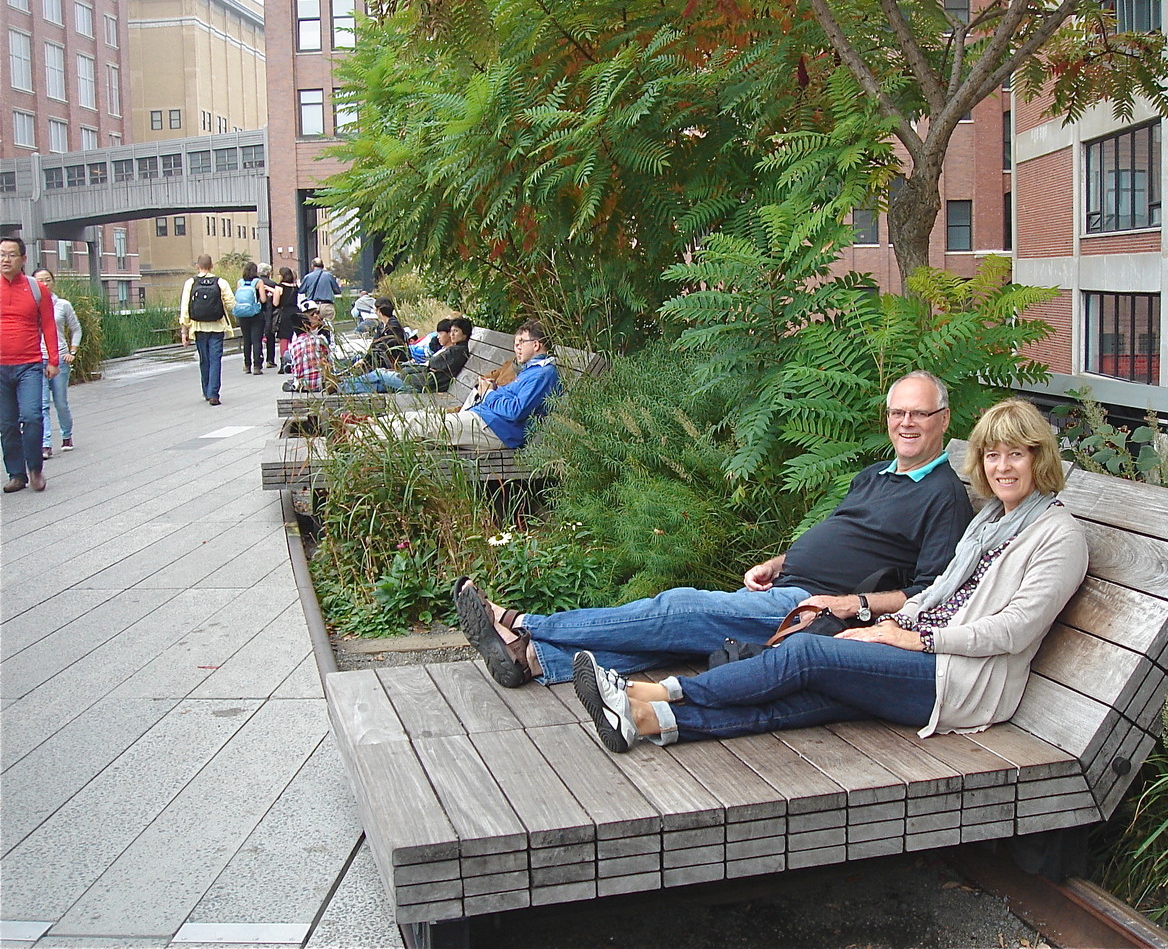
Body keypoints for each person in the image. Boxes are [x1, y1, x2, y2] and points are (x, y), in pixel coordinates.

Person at [573, 397, 1089, 753]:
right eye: (993, 456)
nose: (1002, 467)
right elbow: (936, 592)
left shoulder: (1057, 536)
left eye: (1015, 455)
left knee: (805, 652)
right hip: (922, 649)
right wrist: (886, 623)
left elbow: (1014, 629)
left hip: (959, 680)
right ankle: (645, 722)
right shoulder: (991, 522)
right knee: (806, 698)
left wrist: (917, 640)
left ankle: (656, 694)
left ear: (1039, 458)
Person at [452, 370, 972, 688]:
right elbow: (843, 537)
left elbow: (929, 593)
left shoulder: (944, 496)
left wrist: (846, 605)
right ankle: (537, 662)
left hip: (812, 610)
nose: (906, 423)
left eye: (919, 414)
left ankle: (524, 624)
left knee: (674, 607)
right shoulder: (875, 474)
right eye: (897, 412)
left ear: (943, 420)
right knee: (675, 637)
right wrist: (778, 562)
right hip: (788, 585)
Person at [362, 319, 560, 451]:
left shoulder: (543, 374)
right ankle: (366, 427)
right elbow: (512, 402)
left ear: (536, 345)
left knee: (425, 425)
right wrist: (493, 392)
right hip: (487, 420)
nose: (516, 347)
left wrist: (489, 394)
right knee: (421, 417)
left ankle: (358, 438)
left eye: (520, 343)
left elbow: (515, 410)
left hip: (497, 430)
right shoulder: (532, 371)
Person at [0, 237, 60, 493]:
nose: (5, 259)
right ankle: (16, 474)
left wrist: (54, 360)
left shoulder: (37, 289)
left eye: (11, 255)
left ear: (23, 259)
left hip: (30, 365)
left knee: (33, 416)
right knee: (6, 424)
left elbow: (48, 324)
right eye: (2, 254)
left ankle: (35, 468)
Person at [339, 317, 472, 394]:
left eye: (456, 331)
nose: (452, 334)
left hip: (423, 384)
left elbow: (433, 363)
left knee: (379, 373)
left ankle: (341, 385)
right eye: (452, 331)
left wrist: (430, 366)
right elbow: (433, 364)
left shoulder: (458, 351)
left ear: (464, 334)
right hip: (422, 381)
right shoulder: (456, 349)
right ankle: (342, 388)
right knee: (379, 385)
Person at [33, 268, 80, 457]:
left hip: (60, 358)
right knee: (42, 403)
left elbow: (76, 329)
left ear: (53, 282)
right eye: (39, 281)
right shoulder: (30, 304)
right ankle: (45, 444)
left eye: (47, 280)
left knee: (60, 402)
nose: (44, 284)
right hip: (37, 359)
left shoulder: (62, 305)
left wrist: (72, 351)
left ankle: (66, 435)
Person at [179, 254, 236, 406]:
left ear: (197, 266)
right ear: (212, 266)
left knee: (204, 359)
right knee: (215, 359)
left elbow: (185, 308)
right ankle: (214, 394)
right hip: (217, 326)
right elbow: (231, 303)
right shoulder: (220, 282)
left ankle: (206, 390)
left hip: (198, 327)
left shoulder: (190, 283)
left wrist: (184, 331)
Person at [283, 304, 332, 392]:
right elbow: (329, 359)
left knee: (288, 354)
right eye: (312, 314)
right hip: (320, 383)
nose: (316, 316)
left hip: (303, 385)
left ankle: (293, 381)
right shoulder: (320, 338)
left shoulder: (293, 344)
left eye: (317, 313)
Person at [233, 262, 266, 375]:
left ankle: (247, 365)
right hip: (256, 314)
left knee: (247, 340)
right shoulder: (258, 282)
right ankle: (257, 366)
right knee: (256, 340)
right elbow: (263, 299)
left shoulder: (240, 282)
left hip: (243, 315)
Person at [273, 266, 301, 367]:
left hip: (284, 313)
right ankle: (295, 359)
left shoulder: (279, 287)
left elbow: (275, 303)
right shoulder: (295, 286)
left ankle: (284, 362)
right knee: (295, 337)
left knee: (284, 338)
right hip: (295, 313)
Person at [298, 257, 341, 322]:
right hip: (327, 306)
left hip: (313, 307)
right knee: (328, 328)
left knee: (314, 327)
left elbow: (301, 291)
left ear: (312, 266)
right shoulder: (329, 276)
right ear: (322, 266)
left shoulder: (308, 277)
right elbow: (337, 291)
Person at [257, 264, 280, 368]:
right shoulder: (273, 284)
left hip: (257, 312)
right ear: (268, 273)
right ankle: (270, 360)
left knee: (257, 337)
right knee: (270, 336)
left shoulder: (255, 283)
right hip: (270, 312)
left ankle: (257, 359)